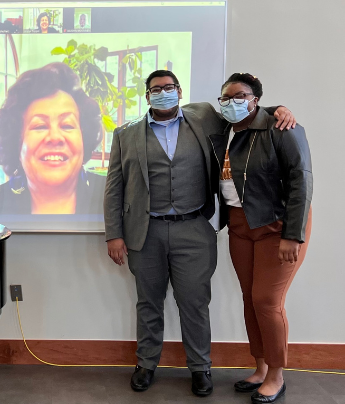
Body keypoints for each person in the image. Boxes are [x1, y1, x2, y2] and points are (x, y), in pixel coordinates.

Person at [103, 70, 296, 396]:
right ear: (146, 96)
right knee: (148, 303)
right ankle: (146, 364)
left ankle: (200, 368)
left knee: (194, 303)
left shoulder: (204, 116)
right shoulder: (126, 134)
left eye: (168, 87)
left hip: (194, 229)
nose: (162, 93)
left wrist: (278, 109)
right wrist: (114, 234)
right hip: (144, 232)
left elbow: (246, 111)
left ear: (179, 91)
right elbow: (114, 188)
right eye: (155, 89)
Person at [211, 73, 312, 403]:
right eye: (225, 97)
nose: (231, 102)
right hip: (240, 225)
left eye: (239, 96)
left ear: (255, 99)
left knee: (267, 302)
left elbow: (302, 182)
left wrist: (292, 236)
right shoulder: (223, 130)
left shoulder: (281, 127)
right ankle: (260, 367)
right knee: (249, 299)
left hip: (277, 224)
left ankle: (277, 375)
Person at [0, 62, 104, 214]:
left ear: (84, 137)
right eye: (40, 126)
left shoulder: (114, 197)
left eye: (67, 125)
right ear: (17, 142)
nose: (55, 137)